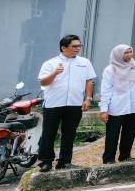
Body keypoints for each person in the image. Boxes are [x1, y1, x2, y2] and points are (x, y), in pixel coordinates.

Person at [37, 35, 96, 172]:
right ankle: (46, 162)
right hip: (53, 103)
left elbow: (89, 81)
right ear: (64, 48)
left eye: (79, 46)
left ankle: (64, 161)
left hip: (74, 103)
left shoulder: (85, 62)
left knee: (69, 133)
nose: (78, 49)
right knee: (49, 133)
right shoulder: (50, 63)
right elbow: (43, 82)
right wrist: (54, 73)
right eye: (74, 46)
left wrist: (88, 98)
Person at [98, 44, 135, 164]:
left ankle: (125, 156)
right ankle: (108, 158)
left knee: (130, 133)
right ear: (118, 54)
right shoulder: (110, 69)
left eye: (130, 52)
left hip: (134, 106)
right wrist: (104, 109)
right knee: (112, 135)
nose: (129, 55)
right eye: (126, 53)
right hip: (116, 107)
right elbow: (106, 90)